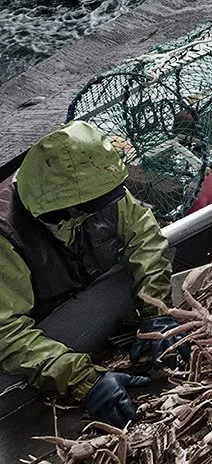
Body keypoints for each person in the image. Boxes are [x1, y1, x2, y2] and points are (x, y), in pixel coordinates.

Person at [0, 123, 175, 428]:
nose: (110, 208)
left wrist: (157, 310)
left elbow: (143, 236)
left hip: (86, 308)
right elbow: (7, 332)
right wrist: (84, 380)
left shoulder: (100, 189)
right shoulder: (6, 235)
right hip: (38, 339)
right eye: (94, 207)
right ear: (64, 208)